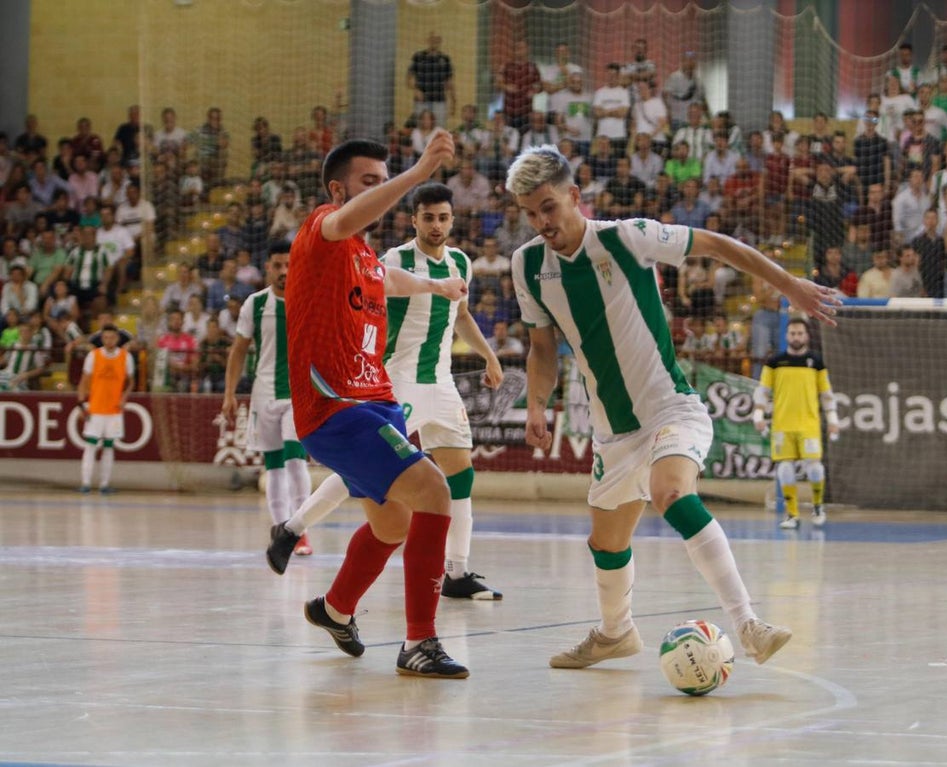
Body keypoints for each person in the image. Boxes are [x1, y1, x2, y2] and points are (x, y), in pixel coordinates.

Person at [505, 145, 838, 670]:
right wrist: (537, 405)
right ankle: (615, 634)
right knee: (605, 543)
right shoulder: (527, 266)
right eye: (529, 212)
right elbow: (543, 347)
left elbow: (716, 244)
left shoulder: (625, 237)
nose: (540, 221)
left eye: (548, 207)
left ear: (574, 196)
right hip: (612, 433)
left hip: (670, 411)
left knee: (671, 492)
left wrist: (788, 286)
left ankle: (748, 623)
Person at [270, 131, 469, 678]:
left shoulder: (362, 255)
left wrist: (437, 287)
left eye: (384, 182)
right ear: (338, 190)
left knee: (392, 524)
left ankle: (333, 609)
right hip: (336, 406)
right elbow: (344, 221)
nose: (381, 192)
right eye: (370, 183)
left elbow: (390, 279)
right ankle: (419, 643)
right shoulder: (322, 228)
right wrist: (418, 172)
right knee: (434, 490)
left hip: (375, 401)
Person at [269, 182, 507, 602]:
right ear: (413, 219)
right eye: (428, 217)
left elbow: (462, 315)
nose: (436, 225)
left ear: (453, 220)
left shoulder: (460, 263)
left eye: (443, 217)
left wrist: (489, 355)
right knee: (366, 469)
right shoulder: (394, 258)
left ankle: (457, 571)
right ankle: (293, 527)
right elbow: (363, 300)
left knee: (461, 473)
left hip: (443, 382)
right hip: (398, 381)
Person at [222, 242, 314, 559]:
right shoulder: (255, 304)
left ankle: (300, 530)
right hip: (264, 394)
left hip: (299, 394)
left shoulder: (309, 298)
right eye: (277, 265)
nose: (284, 271)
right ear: (268, 268)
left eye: (289, 264)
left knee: (294, 459)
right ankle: (280, 530)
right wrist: (229, 393)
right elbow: (238, 351)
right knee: (273, 467)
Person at [753, 318, 839, 529]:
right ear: (786, 336)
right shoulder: (774, 362)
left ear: (807, 336)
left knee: (814, 467)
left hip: (809, 424)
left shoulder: (816, 362)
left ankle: (818, 506)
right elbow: (763, 392)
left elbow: (826, 394)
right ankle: (792, 514)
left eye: (800, 333)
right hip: (782, 425)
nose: (796, 337)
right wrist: (758, 415)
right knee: (784, 467)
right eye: (792, 333)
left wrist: (833, 420)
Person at [77, 323, 134, 494]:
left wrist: (124, 398)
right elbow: (84, 381)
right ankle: (86, 483)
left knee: (109, 446)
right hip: (95, 408)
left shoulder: (126, 357)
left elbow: (130, 381)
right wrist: (81, 404)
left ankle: (104, 484)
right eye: (106, 338)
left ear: (117, 338)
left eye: (112, 337)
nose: (109, 341)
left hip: (114, 410)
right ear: (102, 339)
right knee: (90, 446)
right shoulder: (93, 356)